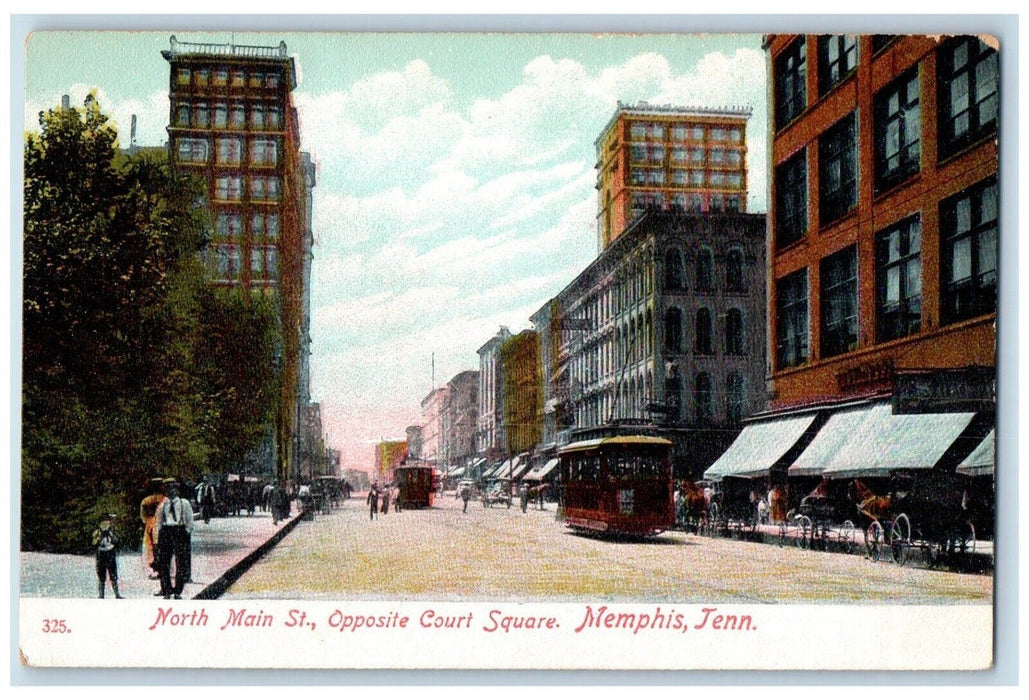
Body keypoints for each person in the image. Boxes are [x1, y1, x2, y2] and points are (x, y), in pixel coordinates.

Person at [154, 479, 194, 600]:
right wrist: (157, 540)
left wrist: (186, 532)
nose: (171, 491)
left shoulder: (184, 503)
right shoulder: (162, 505)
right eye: (168, 489)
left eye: (173, 488)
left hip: (180, 532)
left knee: (181, 563)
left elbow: (189, 520)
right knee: (164, 563)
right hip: (166, 532)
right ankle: (167, 590)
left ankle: (178, 591)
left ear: (177, 490)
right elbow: (158, 523)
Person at [92, 513, 124, 599]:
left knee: (111, 574)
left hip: (108, 552)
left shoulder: (111, 530)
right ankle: (103, 594)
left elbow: (116, 541)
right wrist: (101, 536)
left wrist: (110, 534)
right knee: (103, 574)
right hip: (103, 552)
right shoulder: (98, 531)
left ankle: (114, 594)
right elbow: (94, 542)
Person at [139, 479, 165, 580]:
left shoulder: (146, 500)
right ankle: (160, 569)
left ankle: (152, 570)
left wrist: (148, 522)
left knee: (149, 548)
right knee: (160, 548)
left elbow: (143, 516)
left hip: (149, 526)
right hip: (161, 526)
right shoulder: (165, 500)